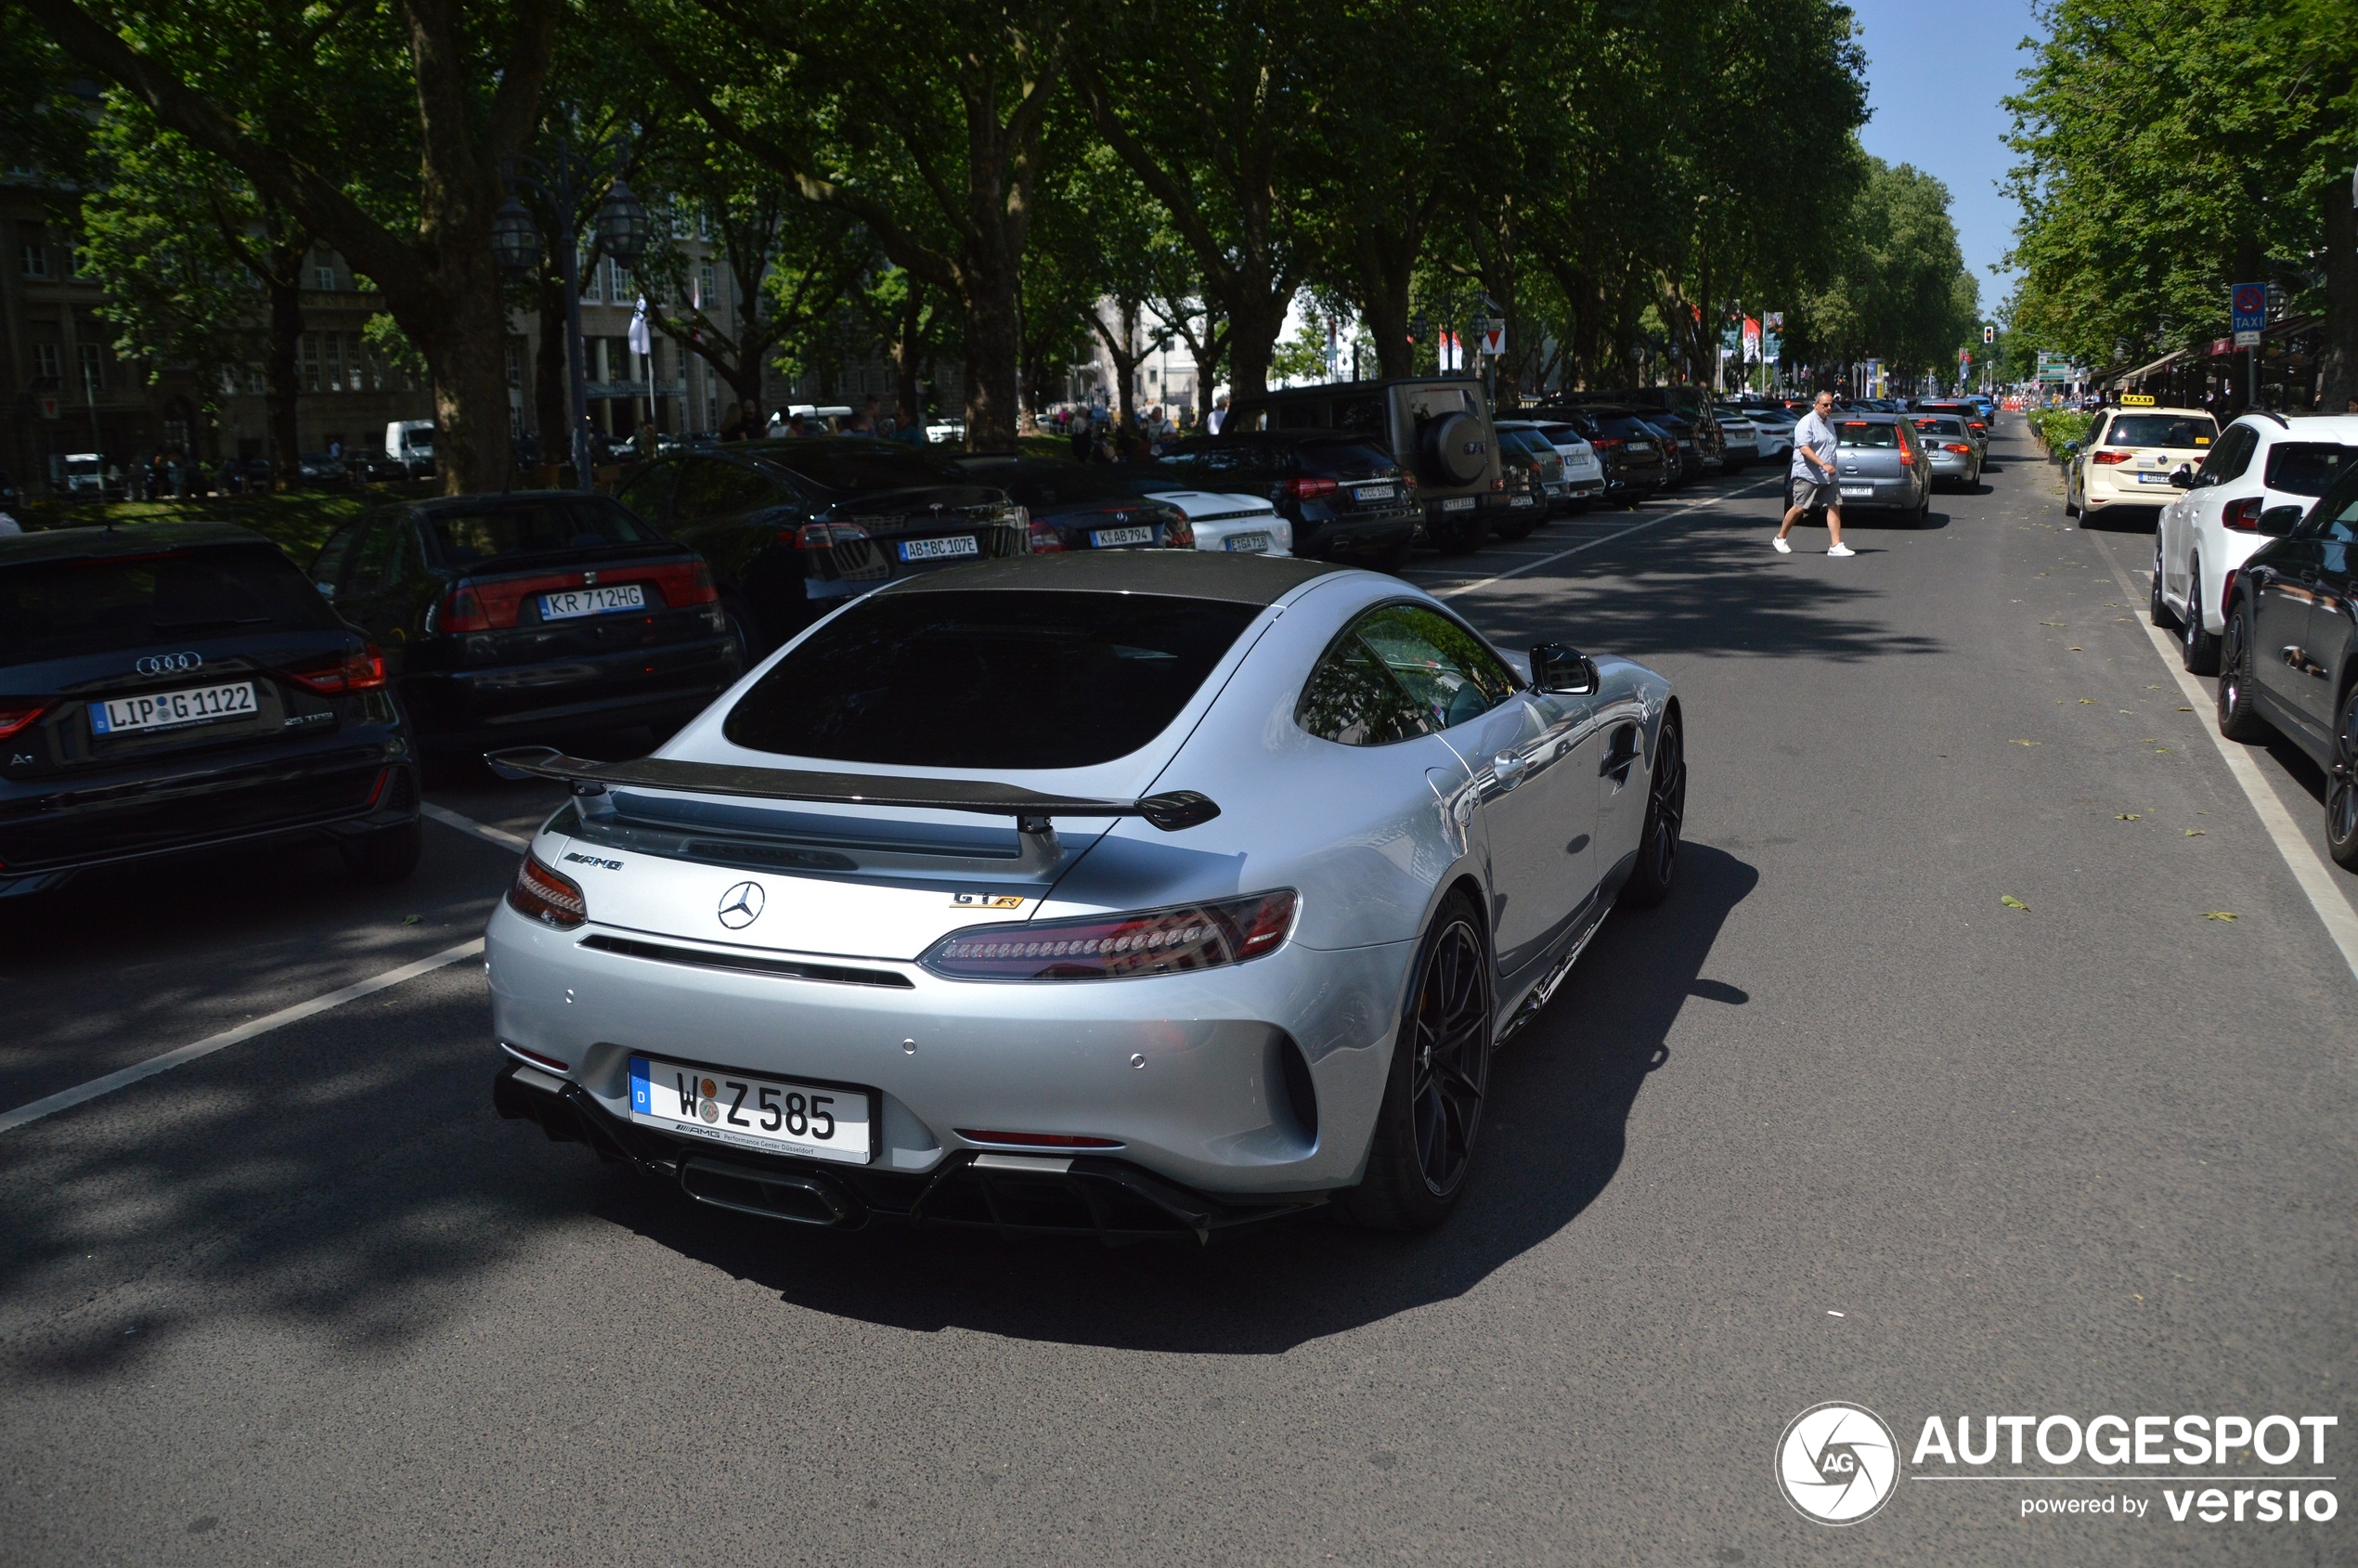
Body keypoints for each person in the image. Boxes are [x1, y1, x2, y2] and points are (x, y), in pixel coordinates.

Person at [1775, 390, 1851, 556]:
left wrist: (1829, 466)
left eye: (1831, 404)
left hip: (1829, 474)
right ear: (1816, 405)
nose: (1829, 408)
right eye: (1825, 405)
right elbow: (1804, 448)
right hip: (1808, 473)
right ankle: (1780, 537)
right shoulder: (1806, 423)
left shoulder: (1828, 422)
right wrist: (1823, 464)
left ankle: (1835, 545)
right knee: (1799, 508)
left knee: (1834, 506)